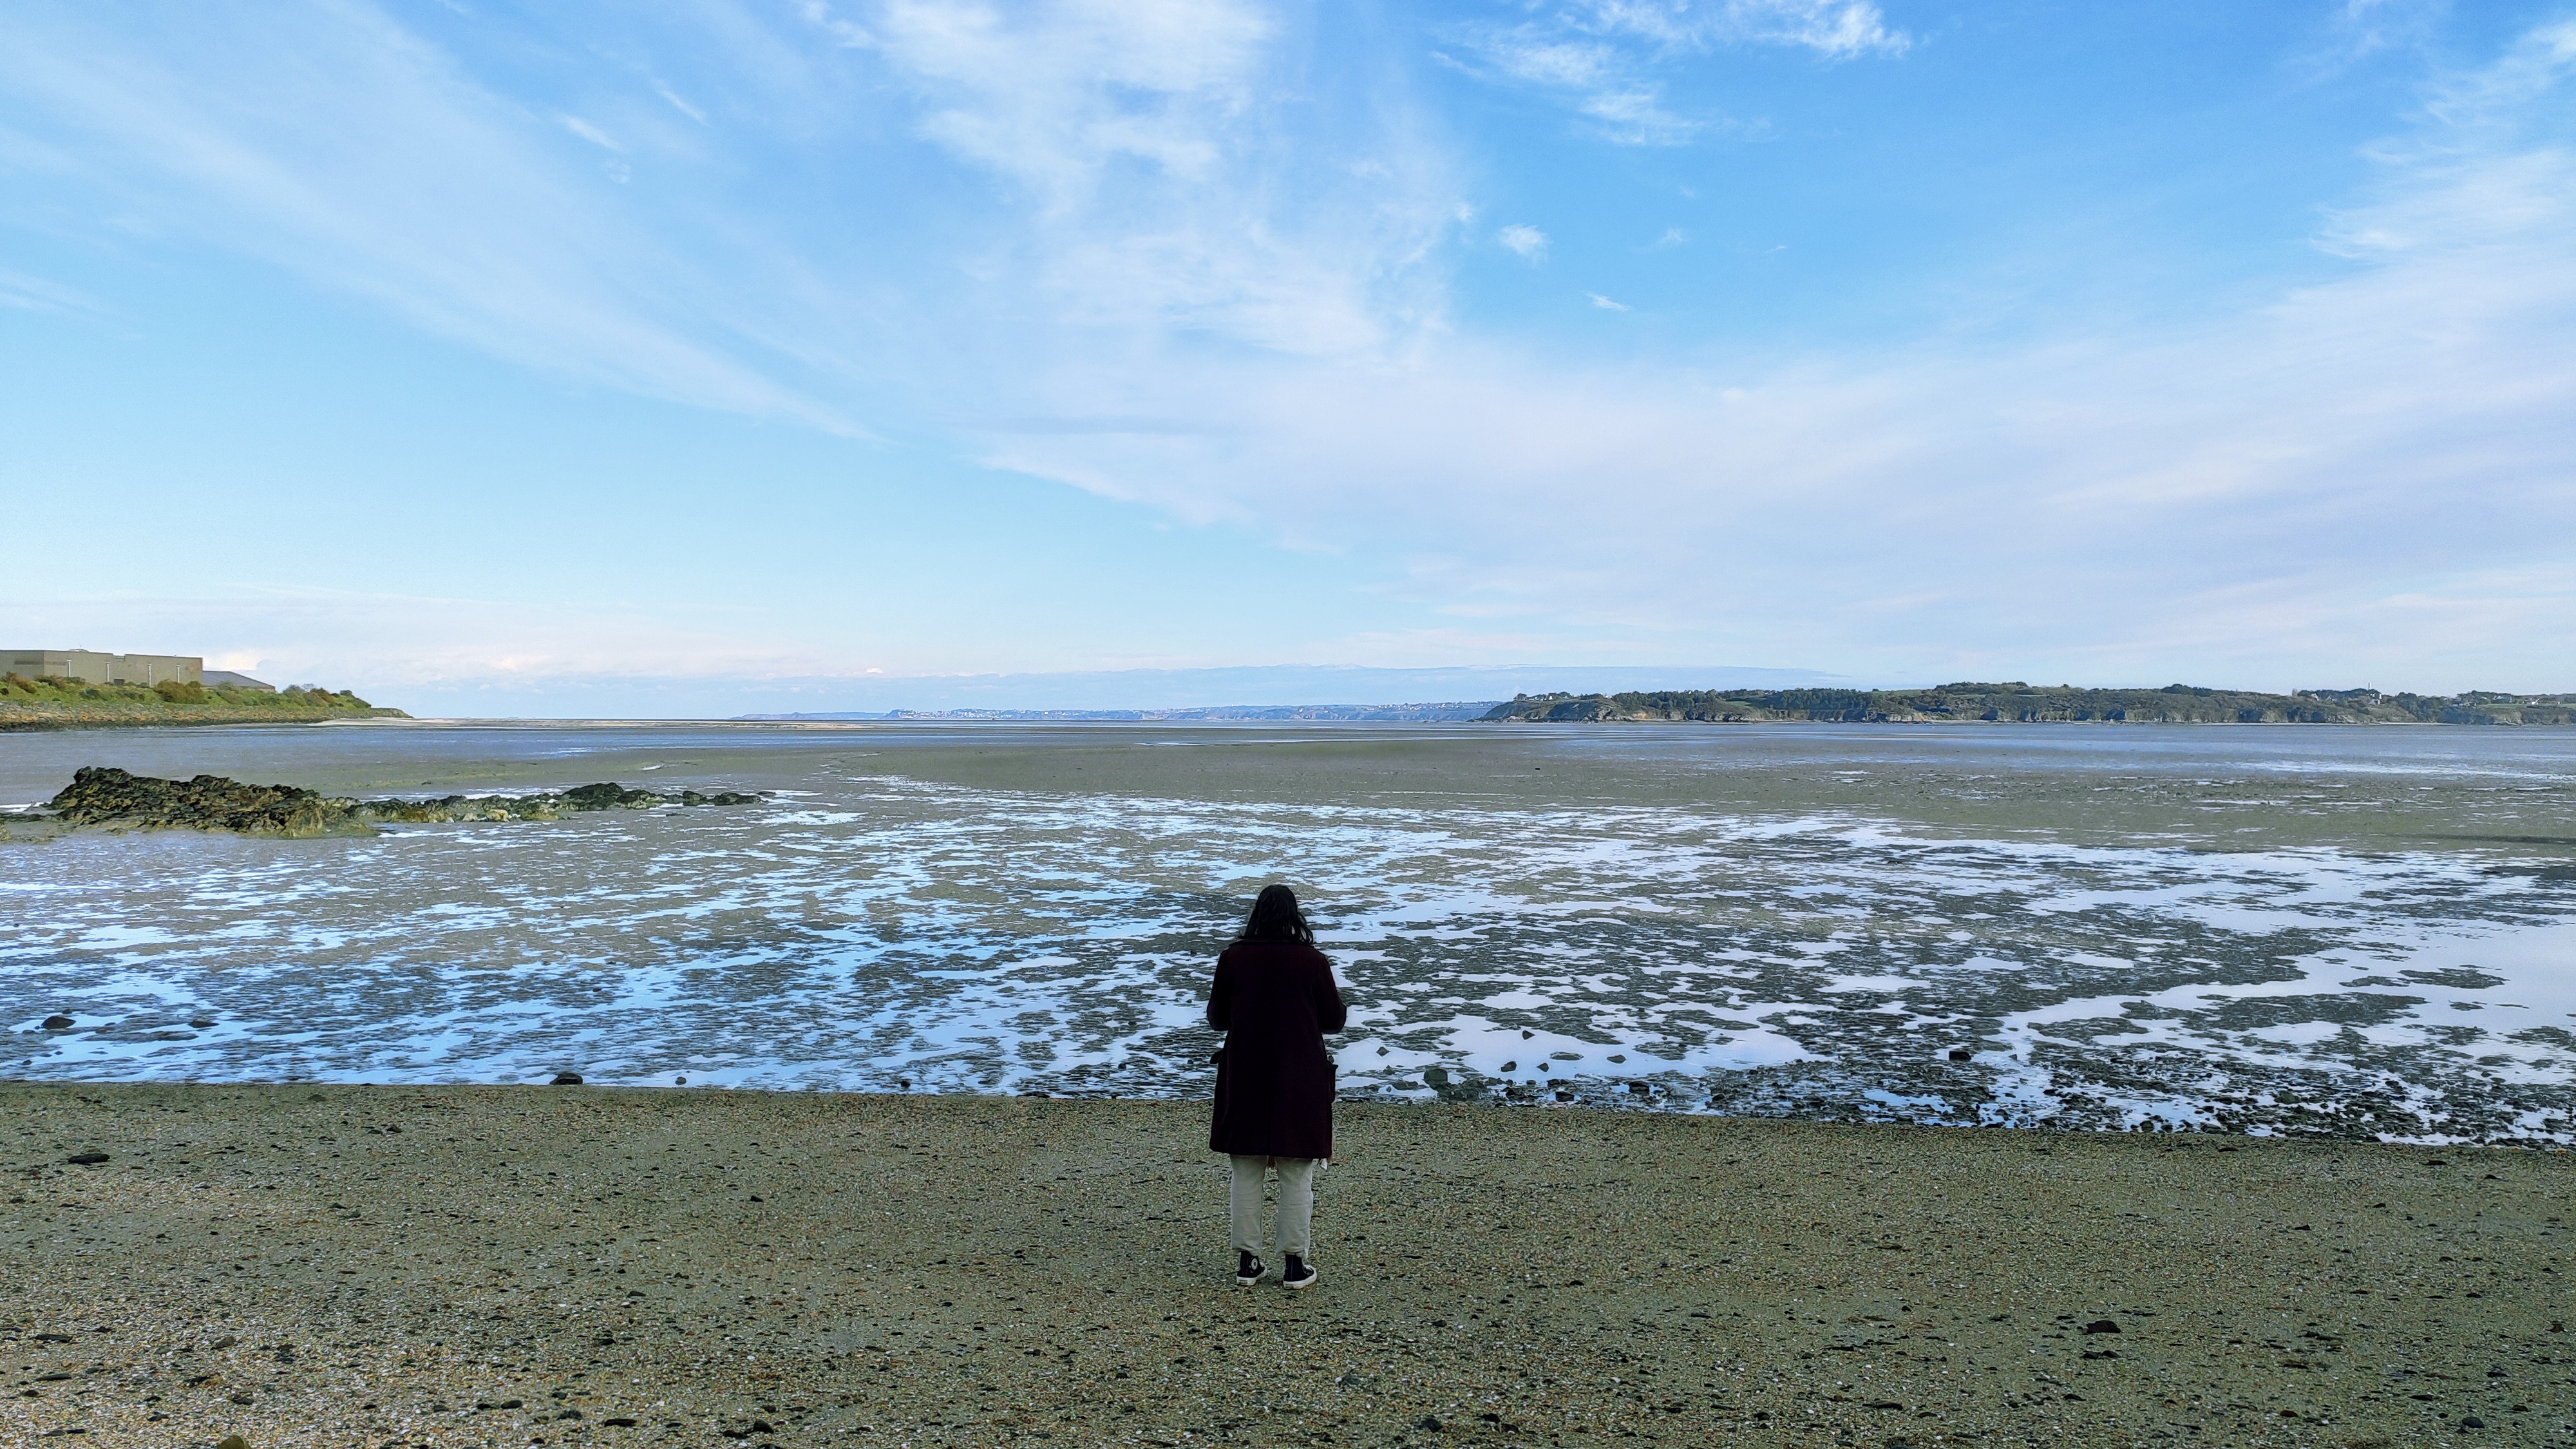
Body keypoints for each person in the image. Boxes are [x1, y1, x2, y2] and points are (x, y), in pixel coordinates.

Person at [1206, 883, 1347, 1290]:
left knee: (1246, 1170)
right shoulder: (1312, 961)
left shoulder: (1233, 958)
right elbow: (1334, 1021)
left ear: (1256, 915)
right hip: (1299, 1075)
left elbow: (1217, 1019)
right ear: (1294, 917)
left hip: (1245, 1073)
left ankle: (1247, 1263)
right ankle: (1294, 1265)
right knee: (1296, 1171)